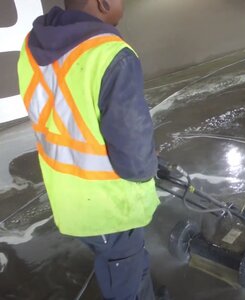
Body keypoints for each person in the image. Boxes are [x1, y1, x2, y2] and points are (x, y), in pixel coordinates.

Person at [17, 0, 165, 298]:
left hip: (66, 196)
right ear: (103, 2)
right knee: (124, 275)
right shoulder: (111, 54)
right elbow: (136, 163)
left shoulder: (32, 47)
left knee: (126, 260)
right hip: (109, 206)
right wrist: (150, 163)